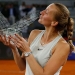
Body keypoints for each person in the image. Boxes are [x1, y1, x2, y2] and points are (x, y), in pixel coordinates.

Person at [0, 3, 75, 75]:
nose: (41, 12)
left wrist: (27, 51)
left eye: (46, 12)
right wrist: (14, 49)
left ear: (54, 23)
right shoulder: (34, 33)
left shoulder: (62, 46)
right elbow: (22, 66)